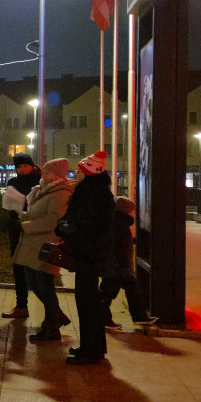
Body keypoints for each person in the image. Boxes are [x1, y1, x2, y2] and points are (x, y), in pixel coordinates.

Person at [58, 150, 116, 365]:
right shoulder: (91, 192)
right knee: (87, 302)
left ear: (89, 172)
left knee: (88, 303)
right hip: (88, 254)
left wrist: (71, 230)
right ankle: (92, 347)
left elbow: (94, 227)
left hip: (89, 256)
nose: (76, 173)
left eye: (79, 170)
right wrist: (65, 225)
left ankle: (91, 351)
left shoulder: (95, 195)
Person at [13, 158, 74, 341]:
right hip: (33, 243)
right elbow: (35, 212)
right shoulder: (43, 189)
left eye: (47, 172)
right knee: (33, 281)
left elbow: (53, 220)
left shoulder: (60, 193)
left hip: (45, 244)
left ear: (56, 175)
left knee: (44, 284)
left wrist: (26, 225)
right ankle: (57, 316)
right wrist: (23, 217)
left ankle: (51, 326)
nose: (43, 174)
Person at [100, 197, 157, 329]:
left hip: (113, 265)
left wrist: (133, 241)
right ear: (125, 210)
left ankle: (105, 319)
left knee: (108, 293)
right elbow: (119, 247)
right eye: (132, 210)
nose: (133, 213)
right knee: (113, 292)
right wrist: (125, 265)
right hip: (117, 266)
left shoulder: (115, 221)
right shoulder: (120, 223)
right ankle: (136, 318)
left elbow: (119, 242)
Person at [2, 154, 42, 319]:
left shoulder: (41, 182)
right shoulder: (13, 183)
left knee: (37, 273)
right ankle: (21, 306)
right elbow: (10, 207)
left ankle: (52, 311)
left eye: (26, 166)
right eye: (19, 167)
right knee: (18, 268)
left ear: (32, 165)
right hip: (17, 229)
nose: (23, 169)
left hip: (35, 231)